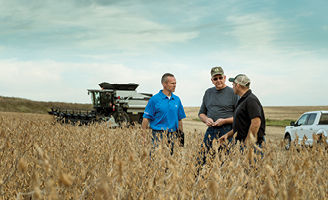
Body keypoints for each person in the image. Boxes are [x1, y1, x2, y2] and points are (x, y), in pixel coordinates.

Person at [197, 66, 239, 167]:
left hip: (227, 132)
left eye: (220, 78)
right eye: (215, 79)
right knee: (202, 160)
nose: (218, 80)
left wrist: (224, 121)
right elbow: (201, 113)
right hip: (211, 130)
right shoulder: (208, 93)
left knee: (224, 162)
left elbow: (239, 117)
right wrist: (206, 119)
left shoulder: (233, 92)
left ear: (225, 78)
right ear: (212, 80)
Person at [142, 73, 186, 155]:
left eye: (175, 83)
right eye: (172, 83)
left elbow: (179, 119)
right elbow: (146, 118)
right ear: (164, 84)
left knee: (170, 161)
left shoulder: (177, 99)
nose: (175, 85)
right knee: (156, 160)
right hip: (158, 135)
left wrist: (181, 136)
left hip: (173, 134)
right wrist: (143, 137)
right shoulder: (154, 99)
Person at [218, 74, 265, 147]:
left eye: (233, 84)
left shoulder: (251, 100)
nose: (232, 86)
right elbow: (240, 125)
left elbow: (256, 122)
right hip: (242, 143)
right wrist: (227, 135)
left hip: (253, 146)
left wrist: (248, 143)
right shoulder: (243, 100)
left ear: (238, 85)